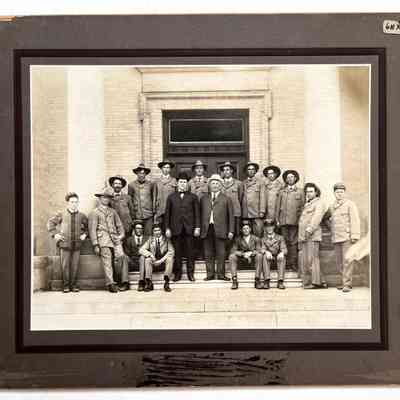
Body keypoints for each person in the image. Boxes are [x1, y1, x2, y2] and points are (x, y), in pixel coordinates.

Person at [89, 187, 129, 293]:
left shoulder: (113, 211)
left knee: (122, 257)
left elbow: (119, 225)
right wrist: (95, 244)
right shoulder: (95, 212)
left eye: (107, 198)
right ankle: (111, 284)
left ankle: (124, 281)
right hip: (103, 239)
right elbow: (92, 230)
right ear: (99, 199)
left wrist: (121, 236)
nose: (106, 199)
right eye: (103, 197)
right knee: (107, 261)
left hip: (115, 239)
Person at [47, 192, 88, 293]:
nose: (74, 204)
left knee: (75, 266)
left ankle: (73, 285)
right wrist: (55, 234)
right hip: (65, 244)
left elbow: (88, 227)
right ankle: (65, 286)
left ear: (78, 203)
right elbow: (50, 223)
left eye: (76, 202)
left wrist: (85, 234)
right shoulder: (61, 214)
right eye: (72, 202)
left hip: (77, 245)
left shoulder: (82, 216)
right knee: (65, 266)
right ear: (68, 203)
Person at [164, 172, 200, 282]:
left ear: (187, 184)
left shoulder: (193, 197)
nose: (183, 184)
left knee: (190, 252)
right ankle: (177, 274)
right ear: (177, 183)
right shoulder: (171, 197)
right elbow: (167, 214)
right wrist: (167, 228)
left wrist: (197, 227)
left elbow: (197, 213)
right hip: (176, 229)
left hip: (189, 228)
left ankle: (190, 273)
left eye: (184, 182)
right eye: (181, 182)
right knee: (177, 252)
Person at [327, 182, 361, 293]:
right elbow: (327, 219)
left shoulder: (350, 204)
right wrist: (331, 228)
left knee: (347, 261)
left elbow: (355, 220)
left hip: (347, 237)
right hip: (336, 237)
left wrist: (355, 235)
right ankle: (343, 282)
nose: (339, 194)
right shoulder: (332, 206)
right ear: (334, 193)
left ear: (344, 193)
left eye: (341, 192)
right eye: (337, 192)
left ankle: (347, 284)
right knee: (339, 262)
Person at [200, 174, 234, 281]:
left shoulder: (226, 199)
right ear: (209, 185)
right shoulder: (204, 198)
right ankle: (210, 274)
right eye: (213, 183)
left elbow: (231, 216)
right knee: (208, 252)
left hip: (221, 229)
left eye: (217, 183)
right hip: (207, 228)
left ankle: (221, 274)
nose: (215, 185)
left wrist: (231, 230)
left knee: (221, 253)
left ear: (220, 185)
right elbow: (200, 214)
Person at [298, 183, 327, 289]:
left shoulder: (319, 203)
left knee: (312, 260)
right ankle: (321, 282)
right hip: (304, 236)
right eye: (307, 192)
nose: (308, 193)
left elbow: (316, 218)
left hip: (312, 235)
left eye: (311, 191)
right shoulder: (308, 204)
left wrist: (309, 230)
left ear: (316, 192)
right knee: (307, 260)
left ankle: (316, 283)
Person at [276, 170, 304, 271]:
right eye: (288, 177)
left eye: (292, 177)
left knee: (293, 243)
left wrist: (300, 220)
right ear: (286, 180)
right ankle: (286, 263)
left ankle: (293, 263)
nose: (290, 179)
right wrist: (277, 219)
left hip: (295, 222)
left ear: (295, 178)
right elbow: (278, 207)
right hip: (283, 221)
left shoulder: (300, 192)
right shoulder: (282, 192)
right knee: (284, 242)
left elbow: (302, 207)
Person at [139, 224, 175, 292]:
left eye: (158, 230)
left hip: (163, 262)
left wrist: (161, 260)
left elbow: (171, 251)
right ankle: (149, 283)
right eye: (155, 231)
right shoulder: (150, 240)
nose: (157, 232)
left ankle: (166, 282)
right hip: (154, 262)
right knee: (147, 259)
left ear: (161, 231)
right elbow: (141, 250)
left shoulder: (166, 240)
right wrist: (150, 255)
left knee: (170, 259)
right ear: (153, 232)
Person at [228, 220, 262, 290]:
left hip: (252, 261)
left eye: (247, 228)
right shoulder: (238, 239)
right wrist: (243, 254)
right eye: (244, 229)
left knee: (259, 255)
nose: (246, 230)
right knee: (232, 256)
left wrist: (251, 253)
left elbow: (259, 250)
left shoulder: (256, 239)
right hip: (242, 261)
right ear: (241, 230)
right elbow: (233, 250)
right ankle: (234, 280)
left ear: (250, 229)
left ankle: (257, 280)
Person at [128, 162, 156, 236]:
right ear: (137, 174)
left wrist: (153, 212)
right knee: (138, 234)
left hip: (148, 215)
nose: (141, 175)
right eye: (139, 173)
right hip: (137, 214)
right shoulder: (131, 185)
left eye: (143, 173)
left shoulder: (151, 184)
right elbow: (130, 200)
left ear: (145, 174)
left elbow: (153, 198)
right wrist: (132, 214)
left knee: (148, 235)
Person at [260, 219, 288, 290]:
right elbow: (262, 249)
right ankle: (266, 280)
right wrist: (266, 252)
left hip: (277, 259)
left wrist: (282, 253)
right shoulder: (263, 239)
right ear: (265, 228)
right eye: (267, 227)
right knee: (264, 256)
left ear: (274, 227)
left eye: (271, 226)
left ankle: (280, 281)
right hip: (269, 259)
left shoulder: (280, 237)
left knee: (282, 257)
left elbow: (285, 249)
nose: (269, 228)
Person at [241, 161, 266, 238]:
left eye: (253, 169)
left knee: (258, 232)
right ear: (246, 171)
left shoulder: (260, 182)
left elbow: (263, 197)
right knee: (246, 233)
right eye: (249, 169)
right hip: (246, 212)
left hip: (256, 212)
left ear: (255, 171)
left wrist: (262, 211)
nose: (251, 171)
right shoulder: (243, 183)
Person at [124, 220, 149, 291]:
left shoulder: (147, 239)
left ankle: (141, 282)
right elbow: (127, 252)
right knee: (124, 257)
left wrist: (142, 253)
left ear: (143, 229)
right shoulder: (129, 240)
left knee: (142, 257)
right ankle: (125, 283)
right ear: (134, 229)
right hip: (133, 261)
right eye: (137, 228)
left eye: (141, 228)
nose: (139, 230)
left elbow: (150, 251)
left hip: (144, 261)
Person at [220, 161, 243, 237]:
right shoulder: (220, 183)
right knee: (224, 232)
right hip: (223, 212)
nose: (226, 172)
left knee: (236, 232)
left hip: (235, 212)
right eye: (224, 170)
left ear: (232, 171)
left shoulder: (238, 183)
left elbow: (240, 198)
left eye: (228, 169)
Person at [154, 159, 177, 230]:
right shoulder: (156, 181)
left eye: (168, 167)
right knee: (160, 229)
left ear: (170, 169)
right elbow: (154, 196)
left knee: (170, 229)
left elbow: (177, 196)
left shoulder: (174, 180)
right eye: (164, 167)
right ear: (161, 169)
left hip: (171, 209)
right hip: (160, 210)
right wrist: (154, 210)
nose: (166, 169)